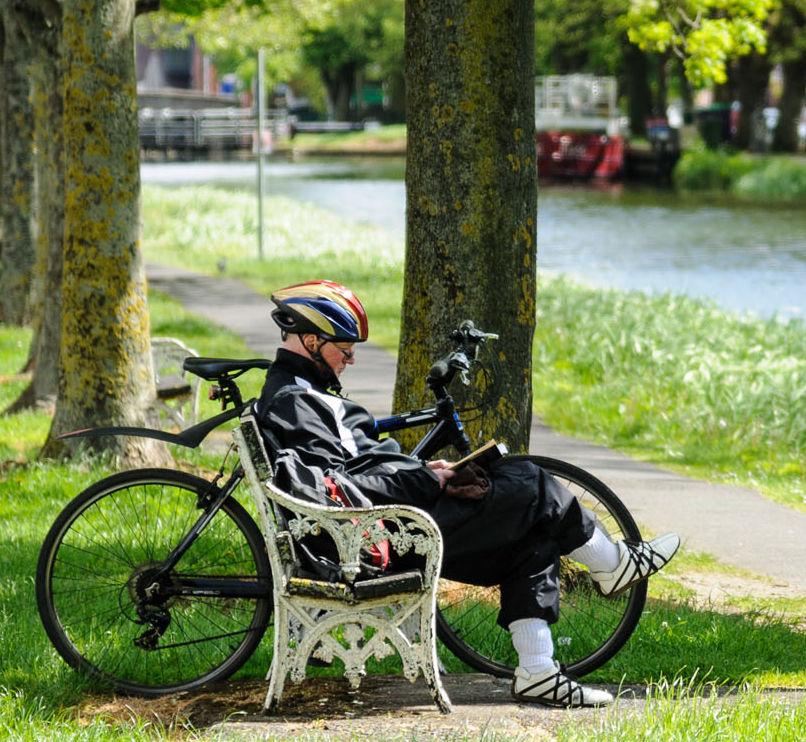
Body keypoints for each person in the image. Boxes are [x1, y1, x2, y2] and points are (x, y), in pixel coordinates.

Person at [252, 281, 681, 709]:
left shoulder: (300, 393)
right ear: (311, 340)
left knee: (534, 537)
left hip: (389, 526)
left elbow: (355, 471)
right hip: (382, 537)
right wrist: (427, 480)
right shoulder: (298, 401)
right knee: (532, 483)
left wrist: (425, 469)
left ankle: (538, 673)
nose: (351, 358)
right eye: (343, 349)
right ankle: (613, 564)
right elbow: (345, 485)